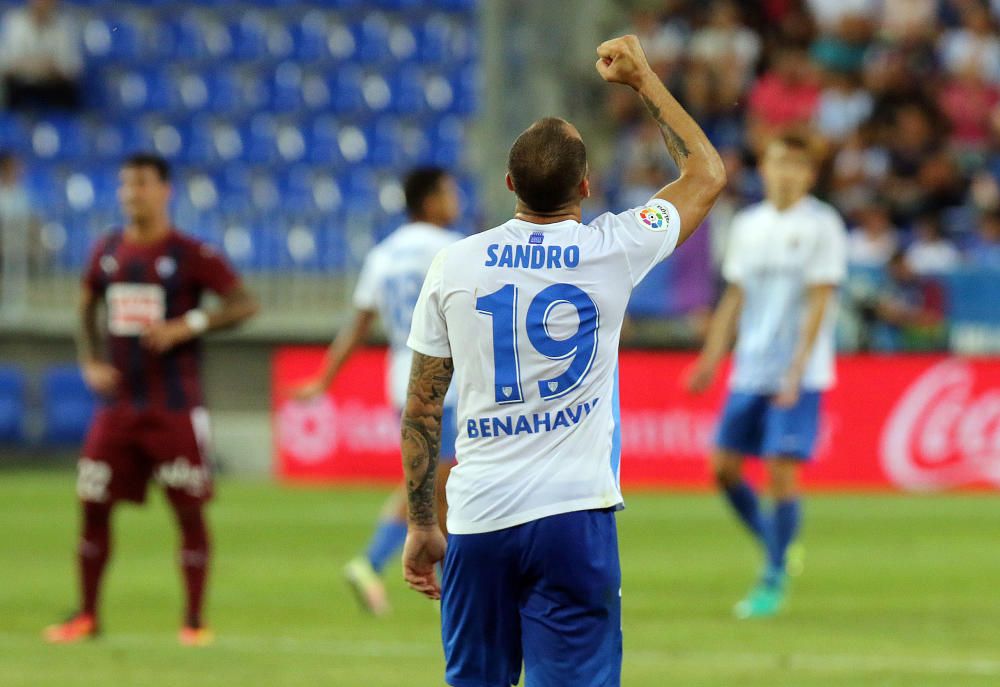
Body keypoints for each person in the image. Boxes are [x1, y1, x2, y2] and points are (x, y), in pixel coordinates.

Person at [400, 35, 725, 687]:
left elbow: (423, 405)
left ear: (509, 183)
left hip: (480, 515)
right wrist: (643, 80)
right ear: (586, 184)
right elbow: (706, 175)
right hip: (575, 514)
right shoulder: (613, 248)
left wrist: (421, 521)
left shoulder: (454, 263)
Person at [43, 154, 259, 645]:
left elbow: (245, 303)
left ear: (165, 190)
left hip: (174, 407)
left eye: (140, 183)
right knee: (92, 503)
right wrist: (90, 360)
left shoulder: (189, 253)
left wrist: (190, 323)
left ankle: (194, 623)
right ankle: (87, 616)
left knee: (187, 511)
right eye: (124, 184)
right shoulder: (107, 251)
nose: (129, 193)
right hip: (119, 407)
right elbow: (85, 305)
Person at [686, 134, 847, 619]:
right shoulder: (749, 224)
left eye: (797, 165)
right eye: (779, 162)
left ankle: (772, 578)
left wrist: (798, 369)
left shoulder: (823, 225)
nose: (786, 173)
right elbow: (735, 297)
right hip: (749, 367)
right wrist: (712, 357)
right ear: (766, 166)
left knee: (780, 470)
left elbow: (821, 300)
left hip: (798, 372)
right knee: (723, 468)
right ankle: (777, 543)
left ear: (810, 175)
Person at [294, 167, 463, 616]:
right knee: (439, 482)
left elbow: (358, 325)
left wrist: (324, 378)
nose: (456, 199)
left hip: (401, 382)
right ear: (429, 201)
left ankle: (445, 585)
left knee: (439, 484)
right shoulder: (454, 248)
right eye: (448, 191)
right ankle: (373, 562)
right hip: (448, 380)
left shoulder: (383, 255)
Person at [0, 0, 83, 111]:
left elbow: (72, 68)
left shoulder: (65, 25)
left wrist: (48, 68)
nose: (42, 3)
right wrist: (34, 66)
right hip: (20, 87)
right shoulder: (14, 22)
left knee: (68, 92)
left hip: (55, 87)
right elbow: (6, 63)